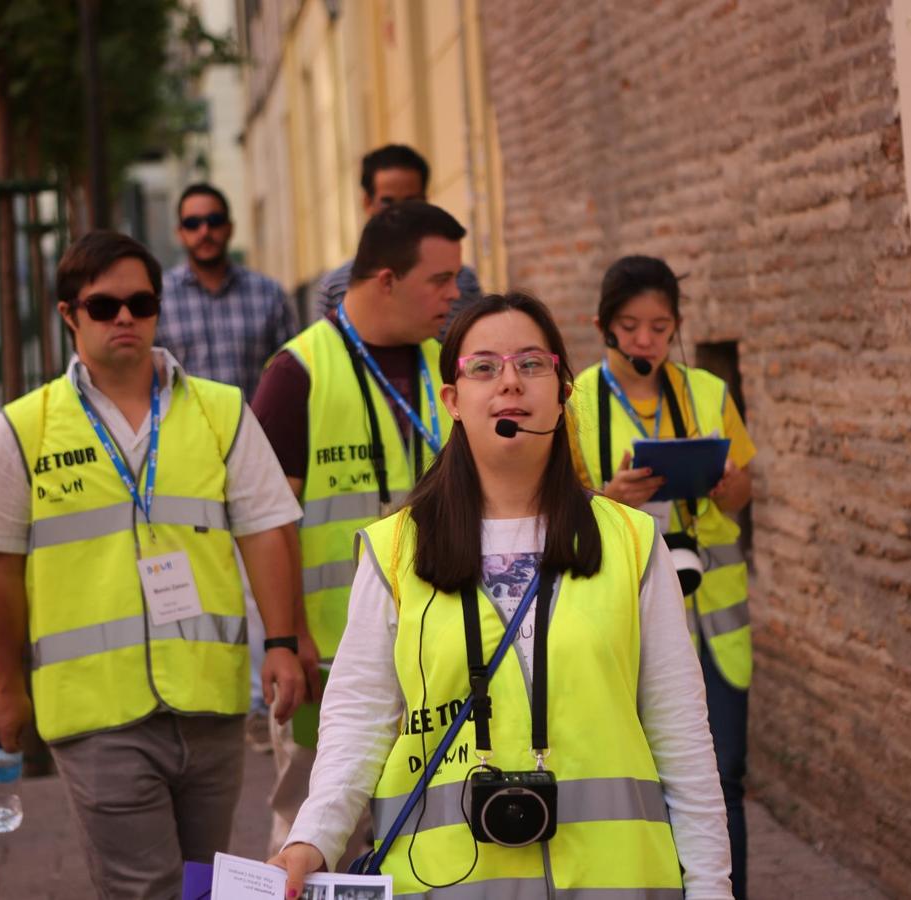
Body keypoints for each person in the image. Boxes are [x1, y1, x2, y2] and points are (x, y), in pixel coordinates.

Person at [270, 292, 732, 898]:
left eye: (532, 364)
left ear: (564, 390)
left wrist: (711, 888)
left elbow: (682, 741)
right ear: (453, 402)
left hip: (613, 882)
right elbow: (358, 722)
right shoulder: (395, 550)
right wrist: (312, 838)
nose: (510, 381)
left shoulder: (632, 541)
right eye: (484, 367)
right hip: (446, 884)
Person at [0, 230, 308, 897]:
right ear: (69, 315)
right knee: (144, 888)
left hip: (208, 700)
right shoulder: (21, 429)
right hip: (97, 715)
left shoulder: (220, 410)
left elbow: (266, 531)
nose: (125, 317)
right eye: (103, 306)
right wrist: (8, 687)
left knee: (203, 884)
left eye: (141, 303)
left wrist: (285, 644)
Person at [252, 201, 465, 856]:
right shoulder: (297, 374)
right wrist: (287, 640)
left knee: (434, 838)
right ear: (384, 280)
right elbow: (268, 524)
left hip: (442, 651)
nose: (455, 294)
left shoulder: (452, 366)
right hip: (332, 663)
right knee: (318, 838)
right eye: (441, 279)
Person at [568, 255, 756, 898]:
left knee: (723, 771)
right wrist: (609, 496)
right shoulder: (576, 403)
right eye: (631, 326)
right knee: (640, 770)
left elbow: (744, 493)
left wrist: (730, 485)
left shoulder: (707, 392)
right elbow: (561, 510)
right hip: (626, 609)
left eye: (660, 327)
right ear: (603, 326)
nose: (646, 341)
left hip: (715, 613)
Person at [156, 183, 297, 399]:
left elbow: (292, 375)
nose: (205, 231)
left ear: (230, 228)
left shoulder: (269, 295)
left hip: (255, 429)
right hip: (185, 431)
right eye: (193, 223)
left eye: (214, 221)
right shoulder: (158, 300)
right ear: (180, 233)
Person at [316, 144, 482, 324]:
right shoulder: (335, 286)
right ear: (367, 202)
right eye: (387, 202)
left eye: (410, 201)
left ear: (425, 201)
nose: (400, 212)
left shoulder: (462, 281)